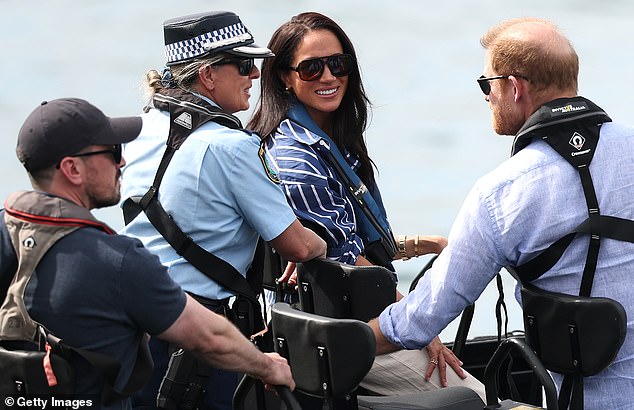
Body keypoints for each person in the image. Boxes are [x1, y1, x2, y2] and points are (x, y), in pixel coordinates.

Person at [370, 17, 634, 409]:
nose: (486, 96)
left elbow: (420, 318)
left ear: (514, 87)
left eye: (486, 84)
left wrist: (341, 341)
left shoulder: (501, 192)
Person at [247, 11, 485, 401]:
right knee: (474, 397)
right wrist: (422, 324)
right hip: (336, 330)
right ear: (284, 78)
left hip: (353, 311)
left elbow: (351, 238)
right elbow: (348, 270)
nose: (328, 77)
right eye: (311, 69)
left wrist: (423, 244)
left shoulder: (324, 138)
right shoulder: (296, 160)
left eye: (337, 64)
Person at [0, 98, 294, 409]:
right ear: (72, 168)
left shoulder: (6, 232)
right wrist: (267, 365)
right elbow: (208, 337)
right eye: (112, 152)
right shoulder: (116, 260)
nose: (122, 162)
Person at [119, 11, 327, 410]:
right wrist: (322, 247)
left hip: (140, 329)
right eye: (245, 64)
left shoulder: (139, 129)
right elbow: (297, 247)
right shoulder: (230, 146)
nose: (254, 76)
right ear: (208, 75)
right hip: (205, 338)